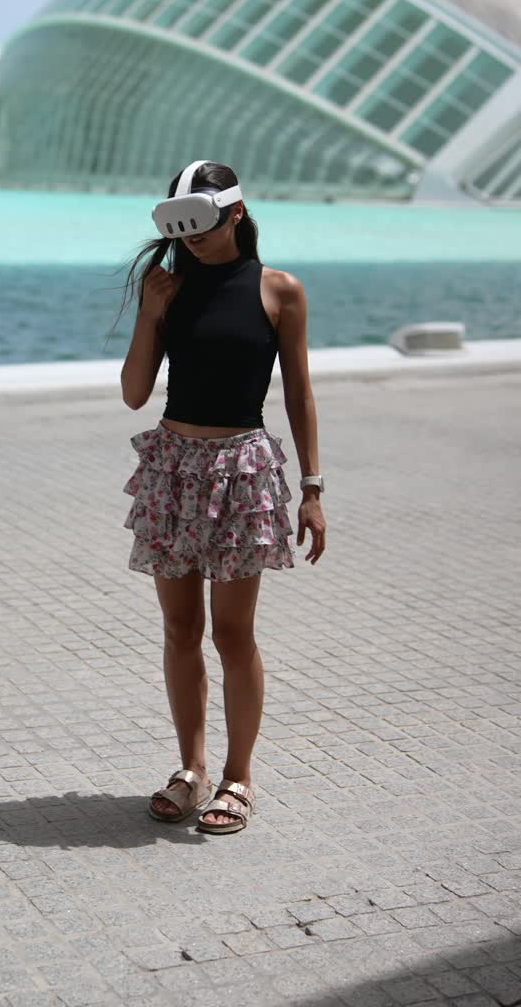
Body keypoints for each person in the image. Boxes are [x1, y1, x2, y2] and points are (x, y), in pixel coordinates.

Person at [119, 161, 326, 835]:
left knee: (235, 634)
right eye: (183, 227)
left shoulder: (279, 290)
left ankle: (238, 777)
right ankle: (191, 769)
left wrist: (312, 490)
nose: (193, 241)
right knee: (181, 630)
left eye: (203, 225)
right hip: (173, 467)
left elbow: (298, 393)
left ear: (234, 213)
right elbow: (133, 391)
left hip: (242, 469)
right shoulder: (169, 289)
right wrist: (150, 314)